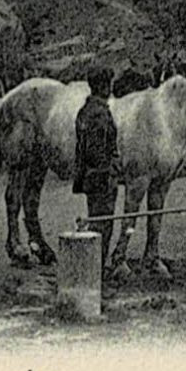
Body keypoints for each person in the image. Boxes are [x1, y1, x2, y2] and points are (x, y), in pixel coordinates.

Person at [72, 66, 120, 271]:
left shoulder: (85, 110)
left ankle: (95, 265)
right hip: (101, 177)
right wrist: (109, 171)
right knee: (102, 223)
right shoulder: (99, 114)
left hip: (90, 176)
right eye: (107, 84)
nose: (109, 89)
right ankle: (96, 267)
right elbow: (96, 150)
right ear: (102, 86)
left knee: (97, 220)